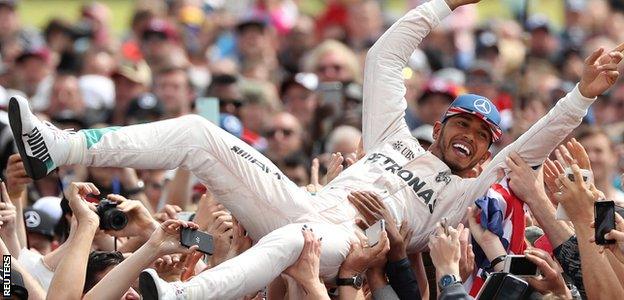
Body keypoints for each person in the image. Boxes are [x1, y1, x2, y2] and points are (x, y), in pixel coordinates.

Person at [7, 0, 622, 298]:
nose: (469, 138)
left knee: (295, 243)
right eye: (463, 124)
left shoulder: (471, 185)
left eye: (483, 136)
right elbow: (384, 58)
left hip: (351, 243)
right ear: (441, 125)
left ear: (489, 149)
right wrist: (442, 5)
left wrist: (581, 96)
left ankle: (174, 297)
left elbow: (534, 144)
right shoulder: (392, 138)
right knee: (198, 132)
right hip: (303, 205)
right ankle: (54, 147)